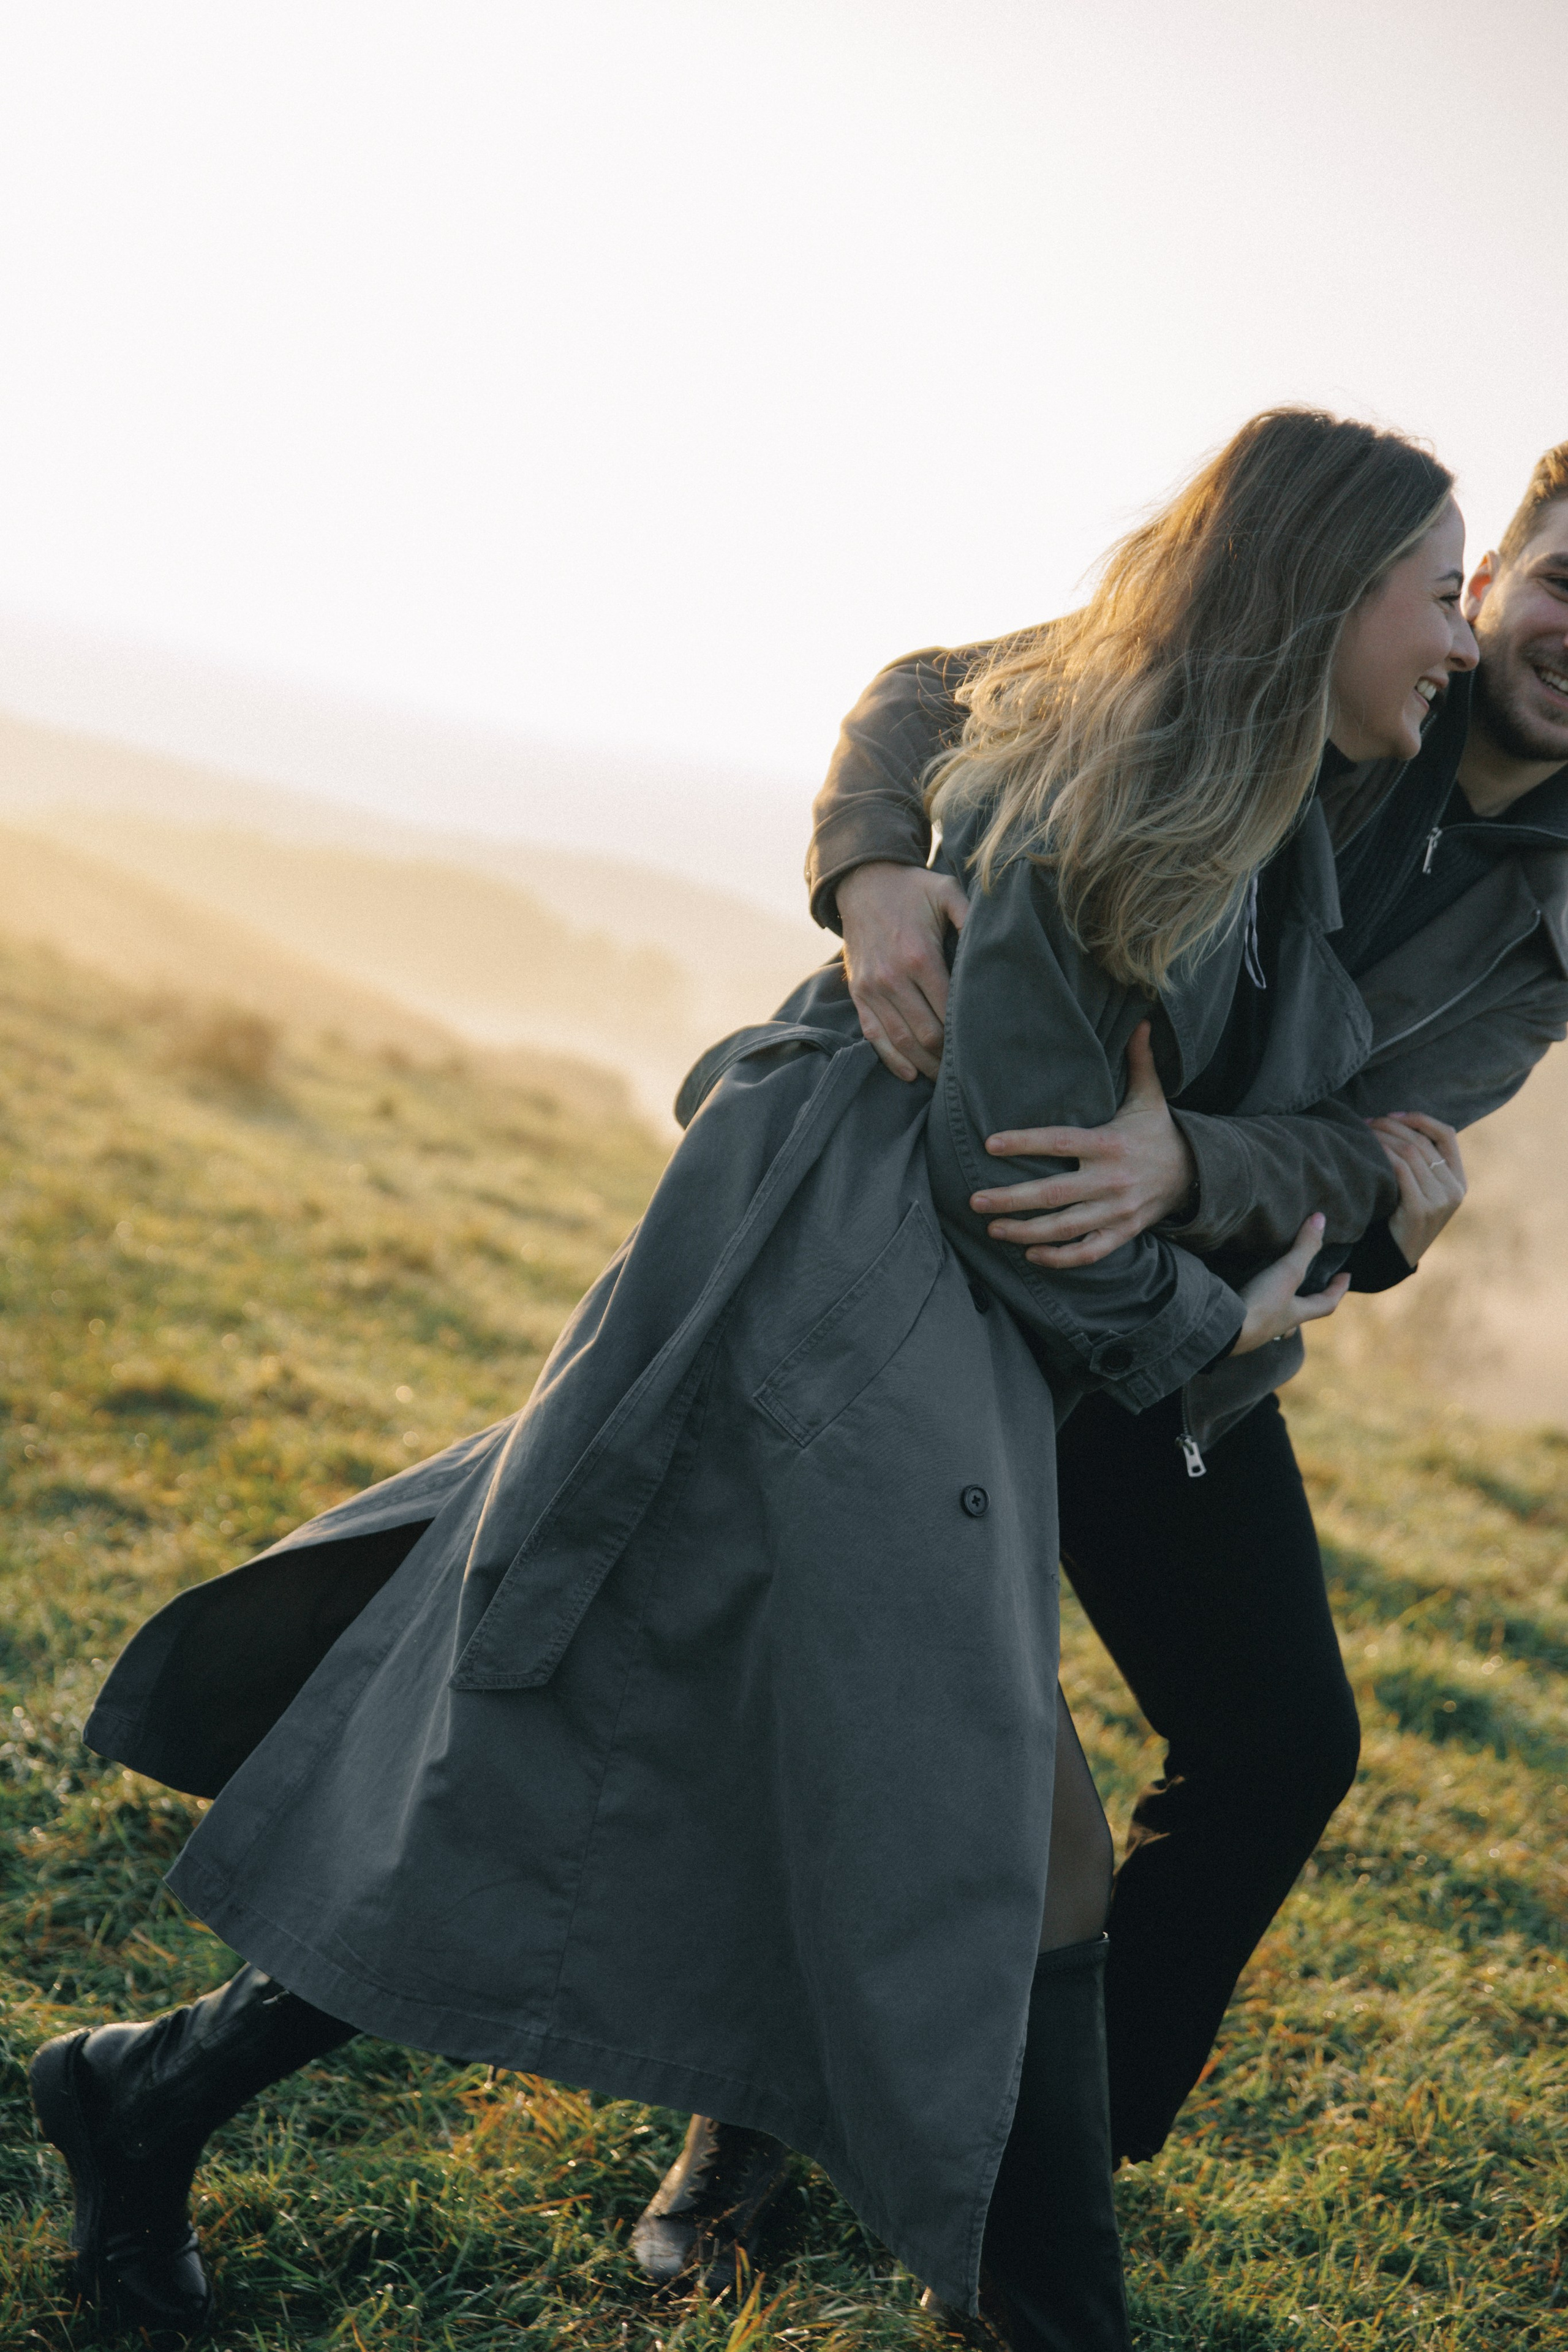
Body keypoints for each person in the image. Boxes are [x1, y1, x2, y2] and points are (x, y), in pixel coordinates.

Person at [31, 411, 1466, 2352]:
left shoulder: (1276, 791)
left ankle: (152, 2088)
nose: (1458, 642)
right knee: (958, 1822)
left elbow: (1319, 1128)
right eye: (1440, 594)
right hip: (838, 1331)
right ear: (1323, 586)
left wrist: (1287, 1190)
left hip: (918, 1349)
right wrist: (1229, 1324)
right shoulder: (1130, 776)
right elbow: (1007, 1174)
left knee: (612, 1769)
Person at [628, 440, 1568, 2296]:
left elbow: (1397, 1165)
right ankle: (747, 2141)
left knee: (1283, 1742)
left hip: (1183, 1313)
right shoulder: (1301, 639)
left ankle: (1031, 2175)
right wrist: (874, 868)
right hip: (971, 1259)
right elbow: (944, 696)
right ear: (1497, 575)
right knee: (906, 1742)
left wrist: (1192, 1167)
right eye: (1567, 584)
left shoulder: (1549, 911)